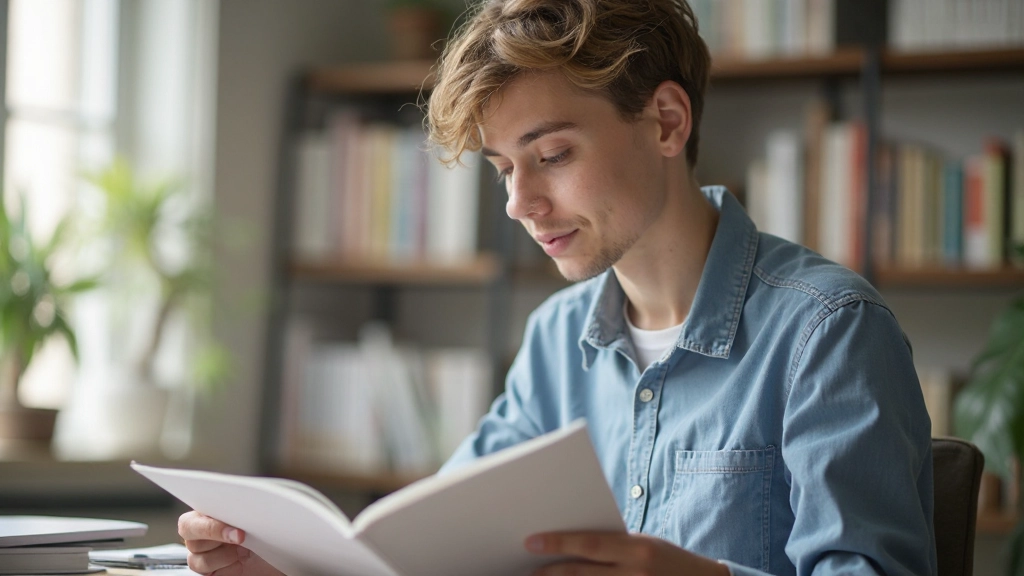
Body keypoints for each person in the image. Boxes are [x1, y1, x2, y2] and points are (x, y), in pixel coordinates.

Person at [179, 0, 938, 574]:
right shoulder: (554, 338)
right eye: (504, 168)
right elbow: (437, 550)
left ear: (667, 122)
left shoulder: (828, 331)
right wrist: (299, 566)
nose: (519, 203)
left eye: (552, 154)